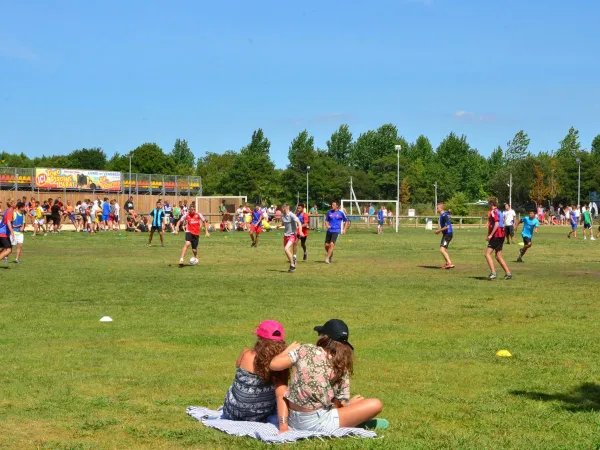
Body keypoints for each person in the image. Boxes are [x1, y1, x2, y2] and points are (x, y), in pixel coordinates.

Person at [270, 319, 387, 432]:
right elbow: (338, 405)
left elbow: (273, 364)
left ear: (323, 337)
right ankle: (353, 421)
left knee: (281, 385)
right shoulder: (341, 366)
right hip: (319, 422)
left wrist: (288, 350)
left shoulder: (305, 349)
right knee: (376, 404)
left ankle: (351, 420)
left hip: (291, 419)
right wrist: (350, 404)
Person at [222, 320, 290, 431]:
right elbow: (280, 395)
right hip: (259, 417)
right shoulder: (279, 366)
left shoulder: (245, 354)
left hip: (232, 413)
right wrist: (283, 427)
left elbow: (237, 364)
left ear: (259, 338)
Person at [485, 197, 513, 280]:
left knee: (487, 254)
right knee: (498, 256)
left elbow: (497, 224)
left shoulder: (494, 212)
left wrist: (491, 235)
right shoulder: (499, 211)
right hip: (501, 235)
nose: (488, 205)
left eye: (488, 203)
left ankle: (493, 273)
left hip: (497, 235)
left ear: (491, 204)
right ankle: (508, 273)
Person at [280, 203, 304, 272]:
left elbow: (299, 222)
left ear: (285, 208)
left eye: (282, 208)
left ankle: (292, 265)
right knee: (287, 251)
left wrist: (300, 231)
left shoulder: (291, 215)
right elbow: (284, 223)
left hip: (292, 235)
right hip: (286, 235)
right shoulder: (284, 215)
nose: (281, 210)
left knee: (286, 249)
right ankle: (292, 264)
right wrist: (279, 225)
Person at [435, 202, 454, 269]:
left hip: (447, 234)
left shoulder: (444, 216)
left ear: (440, 208)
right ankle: (447, 263)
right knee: (444, 249)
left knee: (442, 249)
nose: (436, 209)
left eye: (437, 208)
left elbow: (447, 226)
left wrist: (438, 231)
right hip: (447, 234)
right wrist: (449, 212)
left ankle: (449, 263)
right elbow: (448, 213)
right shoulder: (444, 214)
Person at [0, 198, 15, 263]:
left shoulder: (7, 210)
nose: (15, 203)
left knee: (2, 247)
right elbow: (8, 222)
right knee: (9, 250)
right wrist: (12, 231)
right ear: (11, 204)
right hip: (3, 234)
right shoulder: (9, 212)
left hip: (2, 233)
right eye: (14, 202)